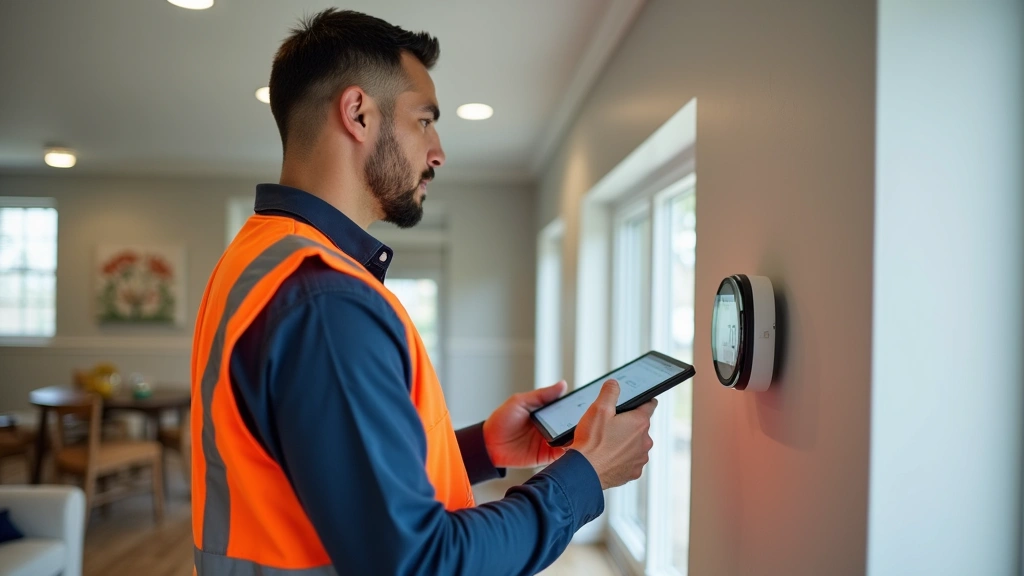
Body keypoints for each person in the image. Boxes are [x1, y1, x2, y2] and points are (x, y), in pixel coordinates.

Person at [190, 9, 657, 575]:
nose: (437, 152)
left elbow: (338, 481)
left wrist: (485, 447)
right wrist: (586, 474)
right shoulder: (323, 301)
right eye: (424, 121)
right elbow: (419, 562)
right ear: (358, 113)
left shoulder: (263, 258)